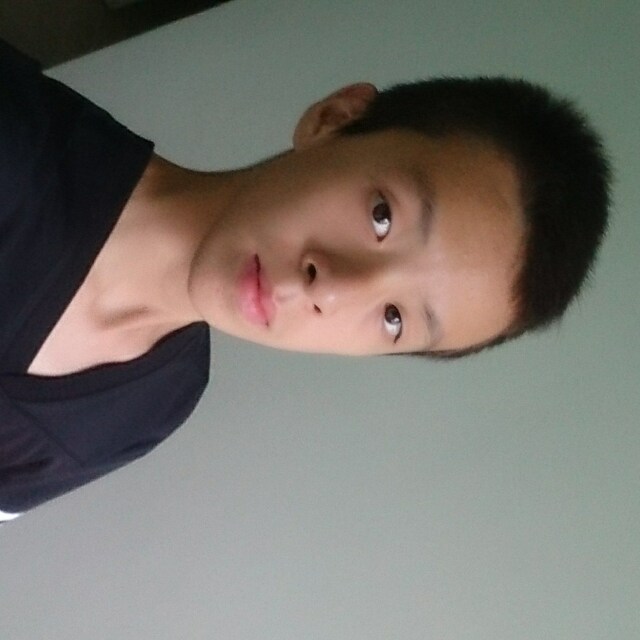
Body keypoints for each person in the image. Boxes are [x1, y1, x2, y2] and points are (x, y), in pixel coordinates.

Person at [0, 39, 610, 522]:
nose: (335, 290)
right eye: (382, 216)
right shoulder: (17, 147)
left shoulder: (157, 402)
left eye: (394, 318)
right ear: (334, 119)